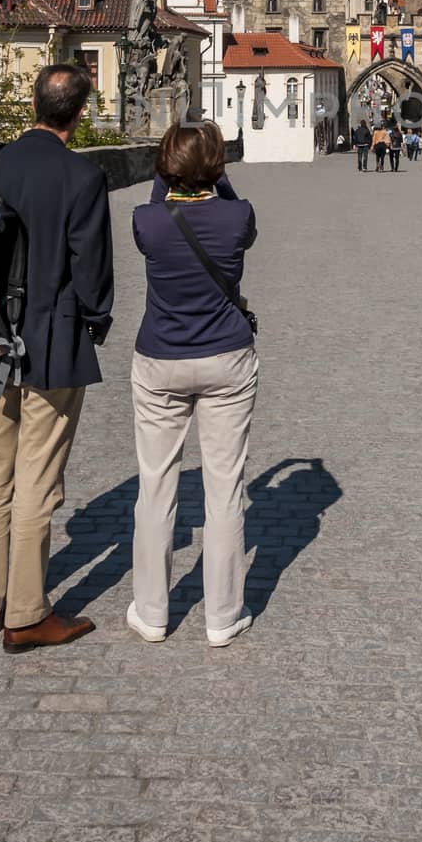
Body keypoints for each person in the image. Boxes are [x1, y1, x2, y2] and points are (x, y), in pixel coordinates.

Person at [0, 64, 114, 655]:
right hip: (52, 346)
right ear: (79, 112)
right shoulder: (82, 175)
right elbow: (92, 273)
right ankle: (26, 615)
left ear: (34, 104)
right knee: (37, 485)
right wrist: (97, 323)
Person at [129, 122, 258, 648]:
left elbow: (161, 202)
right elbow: (232, 204)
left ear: (164, 168)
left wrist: (168, 177)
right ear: (219, 167)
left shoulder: (147, 221)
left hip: (160, 359)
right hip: (226, 357)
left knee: (156, 485)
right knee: (225, 488)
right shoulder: (238, 216)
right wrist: (216, 178)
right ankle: (222, 617)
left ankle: (153, 612)